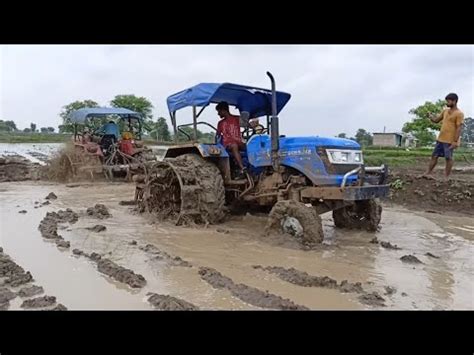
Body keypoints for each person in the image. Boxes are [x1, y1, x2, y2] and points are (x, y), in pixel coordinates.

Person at [423, 93, 464, 179]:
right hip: (441, 139)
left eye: (448, 101)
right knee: (434, 156)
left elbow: (459, 128)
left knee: (448, 158)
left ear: (454, 101)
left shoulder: (459, 113)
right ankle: (427, 173)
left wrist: (455, 141)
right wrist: (430, 116)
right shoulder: (445, 111)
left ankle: (446, 177)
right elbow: (436, 120)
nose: (447, 103)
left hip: (450, 140)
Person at [215, 101, 246, 178]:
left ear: (224, 110)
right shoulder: (220, 123)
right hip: (227, 145)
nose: (218, 114)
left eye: (219, 112)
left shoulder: (236, 119)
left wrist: (252, 124)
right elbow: (217, 136)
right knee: (234, 146)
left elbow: (247, 125)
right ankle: (242, 168)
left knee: (250, 146)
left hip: (239, 142)